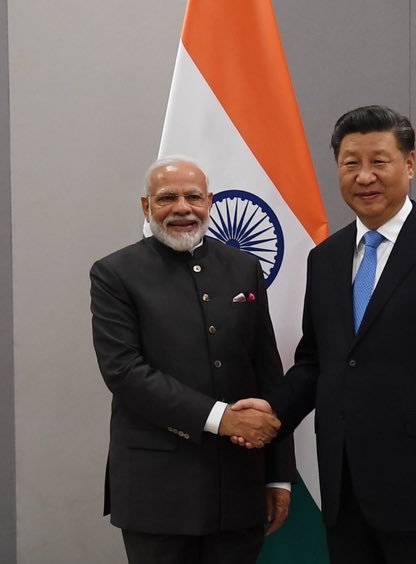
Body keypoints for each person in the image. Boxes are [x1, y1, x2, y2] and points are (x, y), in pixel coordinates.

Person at [232, 106, 416, 564]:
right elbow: (317, 362)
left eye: (379, 161)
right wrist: (274, 408)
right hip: (346, 489)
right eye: (351, 163)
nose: (365, 176)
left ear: (409, 164)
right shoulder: (325, 259)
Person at [90, 156, 294, 564]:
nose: (182, 207)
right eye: (167, 197)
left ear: (210, 202)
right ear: (147, 208)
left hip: (238, 486)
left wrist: (278, 474)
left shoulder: (244, 267)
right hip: (157, 491)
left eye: (193, 197)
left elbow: (267, 371)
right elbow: (125, 372)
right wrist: (223, 418)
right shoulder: (115, 273)